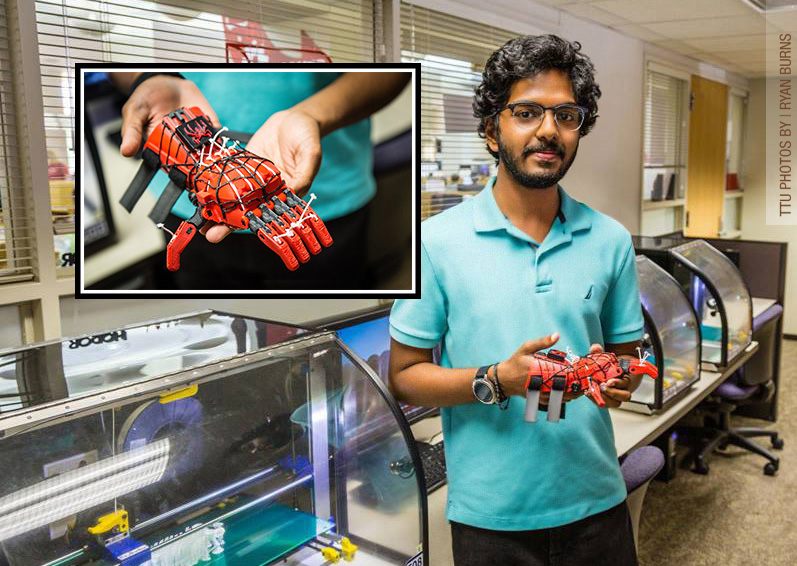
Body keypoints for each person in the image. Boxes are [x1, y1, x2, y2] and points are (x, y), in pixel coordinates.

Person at [388, 35, 643, 566]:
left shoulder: (611, 239)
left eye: (566, 115)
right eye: (526, 112)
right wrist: (498, 380)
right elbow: (405, 375)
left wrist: (614, 377)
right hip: (491, 517)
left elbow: (625, 358)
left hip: (596, 500)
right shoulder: (434, 243)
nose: (549, 130)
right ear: (490, 130)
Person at [109, 71, 410, 289]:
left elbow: (393, 65)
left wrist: (312, 116)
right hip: (184, 205)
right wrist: (146, 77)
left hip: (329, 192)